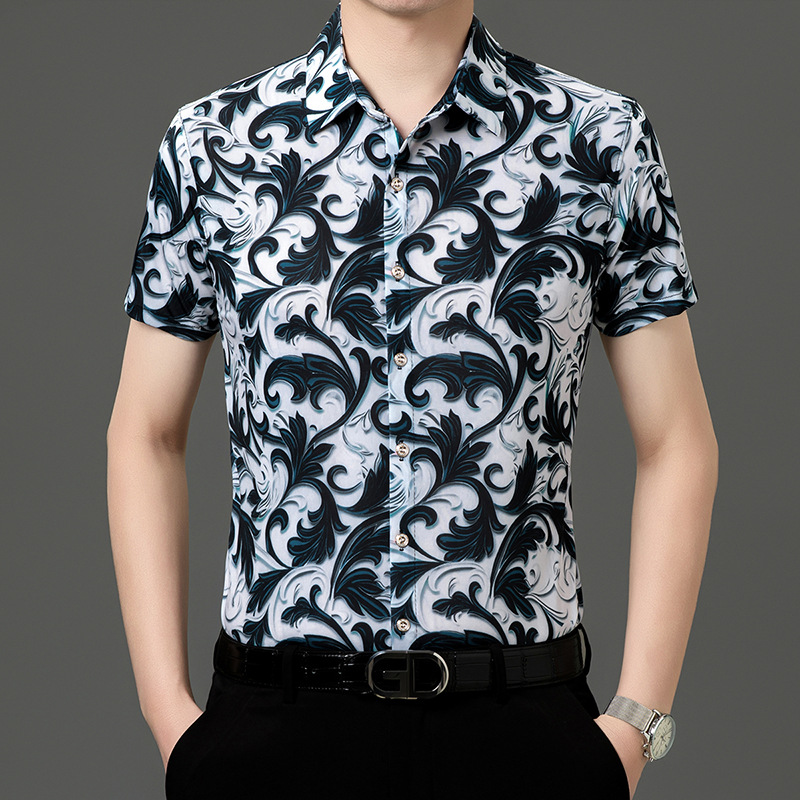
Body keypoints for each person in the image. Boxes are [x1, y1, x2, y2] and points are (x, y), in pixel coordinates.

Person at [106, 1, 718, 798]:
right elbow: (145, 433)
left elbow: (678, 441)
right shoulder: (212, 144)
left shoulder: (599, 141)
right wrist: (169, 715)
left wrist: (634, 726)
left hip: (523, 736)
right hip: (270, 738)